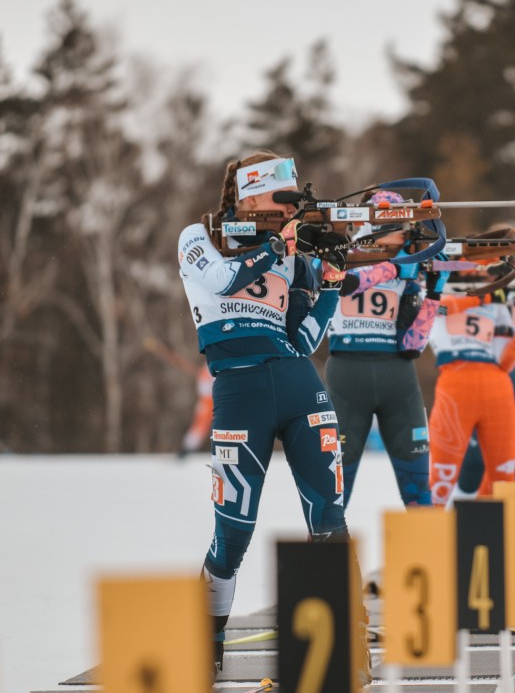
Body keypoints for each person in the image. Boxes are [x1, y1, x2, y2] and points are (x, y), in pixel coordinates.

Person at [177, 150, 355, 678]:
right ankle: (205, 637)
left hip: (299, 385)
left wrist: (332, 286)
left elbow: (303, 339)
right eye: (279, 201)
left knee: (330, 517)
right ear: (248, 197)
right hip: (239, 389)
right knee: (233, 532)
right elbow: (225, 280)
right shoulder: (198, 236)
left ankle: (333, 650)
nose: (286, 211)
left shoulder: (293, 252)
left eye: (290, 203)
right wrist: (277, 244)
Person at [324, 187, 445, 508]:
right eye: (401, 227)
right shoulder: (343, 253)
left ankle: (427, 557)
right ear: (379, 226)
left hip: (398, 379)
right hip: (348, 379)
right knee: (333, 495)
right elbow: (345, 281)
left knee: (420, 492)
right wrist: (393, 269)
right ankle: (326, 557)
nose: (406, 235)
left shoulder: (408, 264)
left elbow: (412, 345)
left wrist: (433, 294)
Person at [428, 288, 515, 504]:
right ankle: (430, 536)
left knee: (503, 481)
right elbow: (435, 308)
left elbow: (506, 361)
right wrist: (482, 296)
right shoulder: (437, 282)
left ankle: (483, 532)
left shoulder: (495, 298)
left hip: (496, 386)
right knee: (442, 482)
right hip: (456, 385)